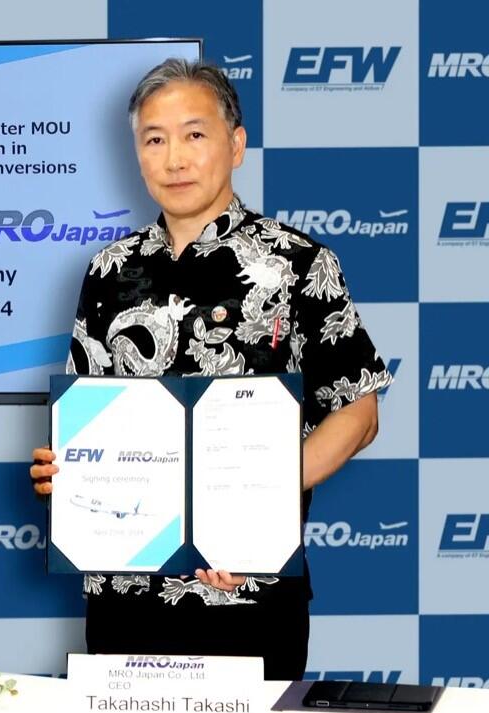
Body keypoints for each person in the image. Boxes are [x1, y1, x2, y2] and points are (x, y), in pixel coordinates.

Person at [29, 58, 393, 680]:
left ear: (237, 144)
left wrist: (259, 502)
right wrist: (63, 468)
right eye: (154, 139)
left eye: (194, 134)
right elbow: (86, 414)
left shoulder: (298, 264)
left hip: (247, 592)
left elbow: (359, 412)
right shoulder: (107, 271)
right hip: (123, 595)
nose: (175, 159)